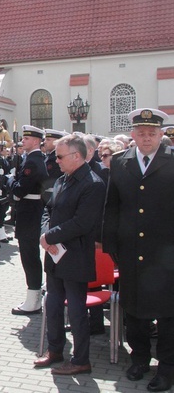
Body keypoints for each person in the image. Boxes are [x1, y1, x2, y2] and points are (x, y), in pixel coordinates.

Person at [102, 108, 174, 392]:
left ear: (161, 135)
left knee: (167, 314)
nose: (146, 138)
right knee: (134, 310)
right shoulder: (120, 162)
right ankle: (140, 358)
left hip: (166, 255)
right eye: (141, 133)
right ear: (133, 135)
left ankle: (167, 368)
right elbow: (113, 205)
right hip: (131, 250)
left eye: (152, 134)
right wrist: (110, 245)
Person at [34, 134, 105, 375]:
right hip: (54, 256)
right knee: (52, 304)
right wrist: (46, 235)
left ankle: (80, 360)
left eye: (60, 156)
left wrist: (50, 237)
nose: (56, 160)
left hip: (75, 256)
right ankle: (55, 350)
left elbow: (82, 223)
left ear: (76, 156)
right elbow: (48, 209)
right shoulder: (64, 178)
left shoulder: (93, 184)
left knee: (76, 310)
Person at [7, 125, 48, 315]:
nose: (23, 141)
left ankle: (33, 300)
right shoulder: (32, 159)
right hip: (30, 210)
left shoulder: (33, 162)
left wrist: (9, 182)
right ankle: (34, 296)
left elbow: (19, 189)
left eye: (27, 139)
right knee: (29, 256)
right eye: (23, 138)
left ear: (37, 141)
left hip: (30, 212)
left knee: (29, 256)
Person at [42, 129, 65, 206]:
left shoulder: (54, 158)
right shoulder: (49, 156)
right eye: (45, 139)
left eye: (48, 140)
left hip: (52, 195)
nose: (44, 142)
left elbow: (49, 179)